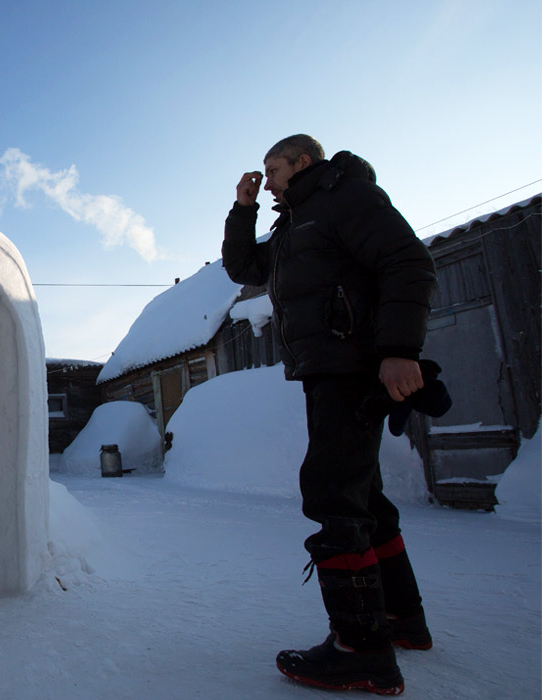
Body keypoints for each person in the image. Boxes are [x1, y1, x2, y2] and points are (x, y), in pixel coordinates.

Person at [222, 135, 437, 695]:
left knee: (334, 495)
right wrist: (244, 211)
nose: (267, 180)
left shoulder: (345, 198)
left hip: (353, 364)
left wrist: (398, 349)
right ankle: (399, 619)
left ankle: (360, 649)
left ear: (304, 162)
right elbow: (243, 266)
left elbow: (408, 263)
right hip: (328, 369)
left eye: (273, 170)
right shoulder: (297, 223)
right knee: (363, 497)